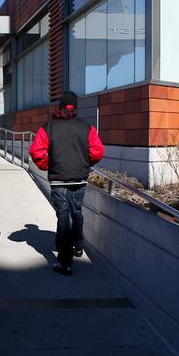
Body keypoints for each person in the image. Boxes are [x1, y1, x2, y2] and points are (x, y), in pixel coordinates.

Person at [29, 91, 104, 276]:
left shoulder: (49, 127)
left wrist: (50, 165)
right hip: (79, 177)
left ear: (60, 107)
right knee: (77, 211)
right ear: (75, 107)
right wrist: (84, 164)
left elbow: (36, 152)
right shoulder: (86, 127)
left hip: (58, 179)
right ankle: (78, 245)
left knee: (63, 216)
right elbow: (98, 151)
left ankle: (65, 261)